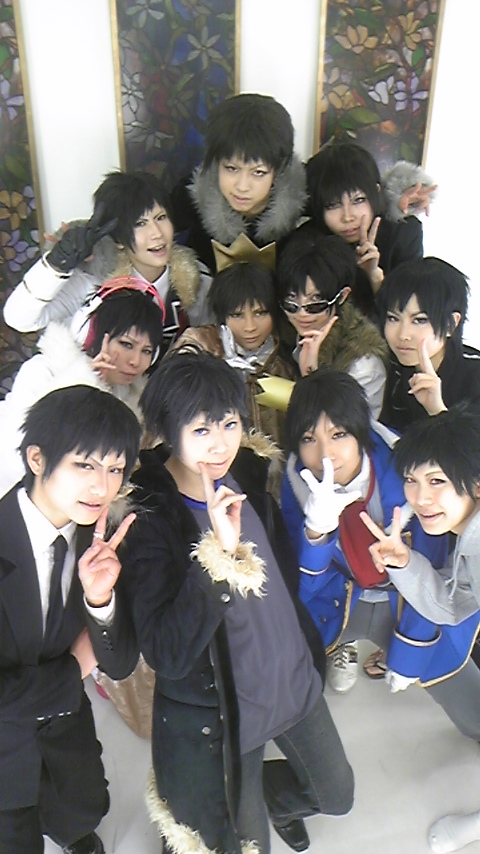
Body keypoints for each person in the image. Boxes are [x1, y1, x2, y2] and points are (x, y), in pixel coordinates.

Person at [121, 351, 354, 854]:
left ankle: (278, 804)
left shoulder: (246, 472)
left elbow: (287, 580)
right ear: (167, 432)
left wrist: (318, 530)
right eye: (201, 430)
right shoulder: (149, 518)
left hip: (292, 678)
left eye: (229, 423)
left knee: (337, 796)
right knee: (240, 845)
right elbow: (166, 653)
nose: (220, 443)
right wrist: (219, 559)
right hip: (227, 714)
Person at [280, 370, 480, 713]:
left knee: (459, 688)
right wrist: (317, 532)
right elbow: (303, 586)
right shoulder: (298, 483)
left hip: (406, 601)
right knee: (286, 679)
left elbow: (444, 587)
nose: (326, 455)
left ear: (362, 431)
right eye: (309, 438)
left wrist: (410, 652)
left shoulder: (407, 469)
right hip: (341, 598)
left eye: (339, 434)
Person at [0, 384, 141, 854]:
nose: (102, 487)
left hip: (65, 734)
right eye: (85, 464)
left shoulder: (103, 540)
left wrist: (100, 602)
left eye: (115, 468)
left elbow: (120, 664)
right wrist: (75, 668)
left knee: (83, 813)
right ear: (37, 458)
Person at [360, 406, 480, 854]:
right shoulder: (468, 537)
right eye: (411, 480)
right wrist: (406, 562)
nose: (421, 497)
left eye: (437, 481)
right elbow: (452, 605)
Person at [3, 170, 212, 353]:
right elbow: (18, 319)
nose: (156, 233)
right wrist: (57, 264)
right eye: (140, 223)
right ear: (118, 239)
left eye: (160, 218)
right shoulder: (94, 284)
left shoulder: (196, 279)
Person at [0, 278, 165, 498]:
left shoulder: (130, 398)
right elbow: (19, 457)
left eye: (146, 351)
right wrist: (84, 386)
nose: (135, 361)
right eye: (126, 344)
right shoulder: (41, 370)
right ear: (90, 333)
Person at [171, 93, 307, 273]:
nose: (242, 187)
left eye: (258, 173)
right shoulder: (187, 198)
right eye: (231, 169)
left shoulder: (306, 199)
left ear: (279, 169)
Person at [171, 261, 296, 447]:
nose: (250, 327)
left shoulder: (288, 360)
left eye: (260, 313)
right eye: (237, 315)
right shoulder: (200, 343)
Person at [304, 140, 436, 316]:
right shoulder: (307, 241)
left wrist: (375, 278)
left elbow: (411, 316)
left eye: (358, 200)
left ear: (376, 191)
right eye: (332, 205)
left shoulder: (403, 233)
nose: (348, 217)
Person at [276, 228, 388, 417]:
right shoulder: (280, 332)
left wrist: (313, 377)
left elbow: (353, 429)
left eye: (315, 303)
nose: (302, 314)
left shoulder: (363, 364)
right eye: (291, 303)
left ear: (342, 296)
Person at [377, 256, 480, 432]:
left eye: (419, 320)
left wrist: (437, 411)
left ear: (451, 324)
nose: (403, 335)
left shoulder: (475, 376)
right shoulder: (388, 368)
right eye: (393, 318)